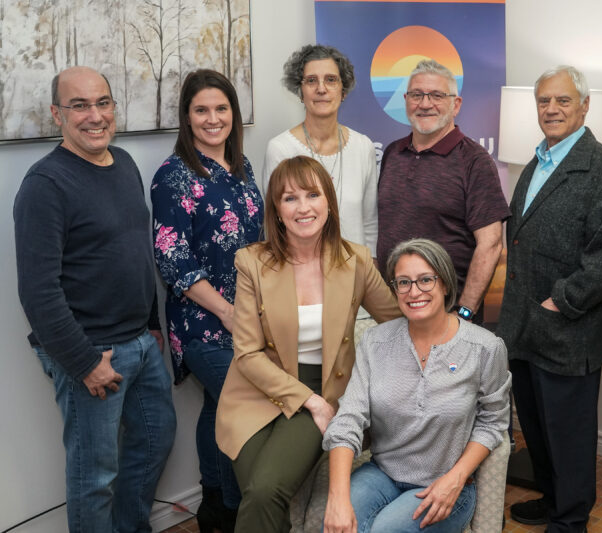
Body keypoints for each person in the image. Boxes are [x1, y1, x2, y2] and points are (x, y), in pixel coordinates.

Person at [13, 66, 176, 532]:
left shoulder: (123, 163)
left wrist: (151, 324)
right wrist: (84, 362)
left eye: (103, 103)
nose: (94, 115)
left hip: (140, 345)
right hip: (91, 353)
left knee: (155, 441)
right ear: (56, 115)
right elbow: (37, 290)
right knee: (94, 476)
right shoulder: (45, 185)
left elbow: (133, 249)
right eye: (79, 105)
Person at [215, 155, 401, 532]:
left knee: (265, 490)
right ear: (277, 211)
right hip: (256, 392)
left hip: (325, 386)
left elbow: (396, 320)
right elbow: (248, 354)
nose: (303, 207)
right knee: (261, 493)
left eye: (312, 195)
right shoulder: (252, 262)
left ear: (328, 203)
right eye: (289, 198)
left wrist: (451, 331)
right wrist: (311, 403)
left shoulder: (355, 261)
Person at [495, 65, 602, 533]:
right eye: (544, 102)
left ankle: (571, 518)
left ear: (584, 106)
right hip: (524, 327)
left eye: (562, 101)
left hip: (569, 328)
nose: (552, 110)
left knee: (569, 434)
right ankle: (553, 498)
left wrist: (563, 301)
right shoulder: (536, 160)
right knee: (535, 427)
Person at [323, 238, 511, 533]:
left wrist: (456, 478)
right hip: (382, 474)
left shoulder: (484, 348)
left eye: (426, 280)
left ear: (445, 284)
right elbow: (348, 419)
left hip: (447, 484)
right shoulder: (375, 342)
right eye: (403, 282)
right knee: (338, 525)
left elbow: (493, 422)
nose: (414, 292)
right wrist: (337, 497)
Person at [151, 69, 262, 532]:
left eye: (221, 108)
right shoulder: (172, 176)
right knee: (244, 402)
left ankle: (214, 504)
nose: (212, 118)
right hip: (203, 322)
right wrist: (226, 312)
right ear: (187, 116)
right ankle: (236, 507)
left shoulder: (242, 167)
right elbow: (172, 258)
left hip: (248, 315)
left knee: (219, 408)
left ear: (233, 114)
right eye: (201, 110)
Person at [377, 59, 509, 324]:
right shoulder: (392, 153)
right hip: (395, 311)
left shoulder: (475, 161)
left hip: (448, 316)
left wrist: (464, 312)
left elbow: (491, 244)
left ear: (456, 104)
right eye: (417, 95)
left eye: (437, 95)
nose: (425, 104)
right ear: (405, 100)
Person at [265, 44, 378, 258]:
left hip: (356, 274)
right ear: (300, 91)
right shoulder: (280, 149)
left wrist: (369, 269)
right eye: (311, 80)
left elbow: (370, 223)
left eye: (331, 79)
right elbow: (275, 225)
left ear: (343, 91)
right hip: (301, 275)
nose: (321, 88)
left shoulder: (364, 147)